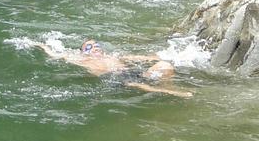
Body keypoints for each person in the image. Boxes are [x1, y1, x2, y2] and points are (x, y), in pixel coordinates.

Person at [34, 39, 193, 98]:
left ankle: (168, 87)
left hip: (131, 72)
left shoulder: (113, 56)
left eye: (96, 45)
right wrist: (41, 45)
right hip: (113, 77)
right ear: (83, 51)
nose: (95, 47)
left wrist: (153, 58)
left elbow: (134, 57)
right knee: (140, 85)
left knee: (165, 66)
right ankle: (174, 93)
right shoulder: (79, 58)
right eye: (90, 46)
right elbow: (55, 55)